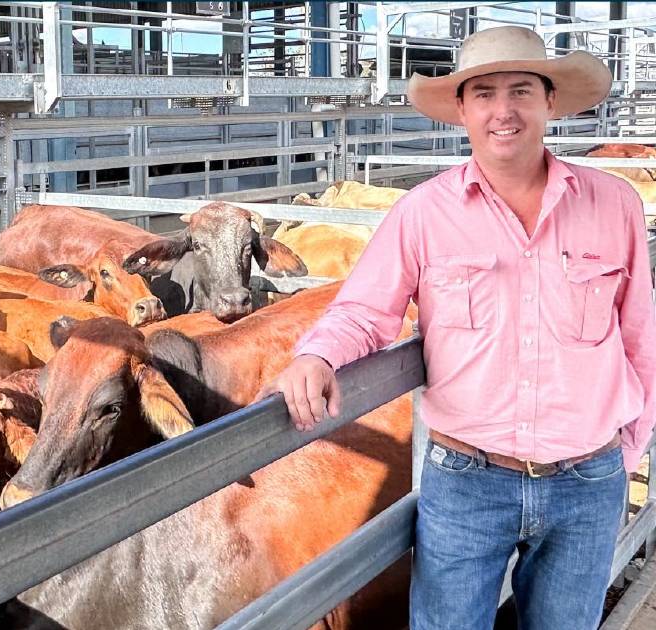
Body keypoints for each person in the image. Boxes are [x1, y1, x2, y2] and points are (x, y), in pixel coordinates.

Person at [258, 25, 656, 630]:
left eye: (521, 90)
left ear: (549, 101)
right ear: (462, 110)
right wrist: (317, 356)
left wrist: (627, 451)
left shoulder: (614, 204)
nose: (504, 111)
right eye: (484, 93)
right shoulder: (422, 212)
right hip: (468, 480)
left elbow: (640, 339)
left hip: (587, 479)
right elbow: (365, 310)